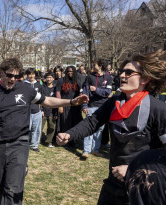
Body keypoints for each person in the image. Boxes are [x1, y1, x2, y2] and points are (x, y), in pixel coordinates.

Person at [0, 58, 88, 205]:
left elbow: (47, 101)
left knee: (12, 187)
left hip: (20, 142)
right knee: (0, 180)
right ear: (2, 73)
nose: (13, 80)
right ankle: (17, 173)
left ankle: (18, 170)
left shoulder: (25, 89)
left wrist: (71, 102)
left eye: (16, 77)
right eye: (10, 75)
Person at [57, 49, 166, 205]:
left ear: (145, 79)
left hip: (142, 190)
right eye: (121, 71)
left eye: (129, 72)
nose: (121, 75)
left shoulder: (158, 109)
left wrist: (132, 170)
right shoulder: (114, 102)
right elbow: (92, 121)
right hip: (112, 186)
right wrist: (70, 134)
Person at [80, 59, 113, 160]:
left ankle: (95, 149)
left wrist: (96, 90)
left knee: (99, 129)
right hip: (91, 106)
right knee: (89, 128)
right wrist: (84, 106)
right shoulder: (90, 77)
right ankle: (86, 151)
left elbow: (108, 92)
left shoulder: (108, 77)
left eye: (95, 65)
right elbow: (85, 92)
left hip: (103, 107)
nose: (93, 66)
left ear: (101, 66)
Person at [56, 66, 83, 140]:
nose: (70, 73)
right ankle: (64, 139)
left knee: (75, 122)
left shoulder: (77, 81)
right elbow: (58, 93)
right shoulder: (61, 80)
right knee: (65, 123)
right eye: (68, 71)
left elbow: (80, 92)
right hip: (65, 105)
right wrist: (60, 105)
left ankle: (73, 139)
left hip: (75, 106)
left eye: (71, 71)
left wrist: (81, 103)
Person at [24, 68, 44, 152]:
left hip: (37, 111)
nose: (31, 76)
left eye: (33, 74)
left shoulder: (39, 85)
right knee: (26, 129)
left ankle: (34, 145)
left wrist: (42, 109)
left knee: (36, 129)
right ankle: (25, 144)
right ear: (27, 75)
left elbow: (42, 98)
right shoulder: (24, 84)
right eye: (29, 74)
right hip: (26, 112)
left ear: (35, 75)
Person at [41, 72, 57, 148]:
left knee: (51, 127)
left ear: (53, 78)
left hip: (52, 111)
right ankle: (36, 140)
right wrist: (41, 109)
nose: (48, 79)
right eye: (47, 77)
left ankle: (48, 142)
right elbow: (39, 99)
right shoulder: (42, 87)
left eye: (50, 77)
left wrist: (56, 113)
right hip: (43, 110)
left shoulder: (55, 88)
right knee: (39, 127)